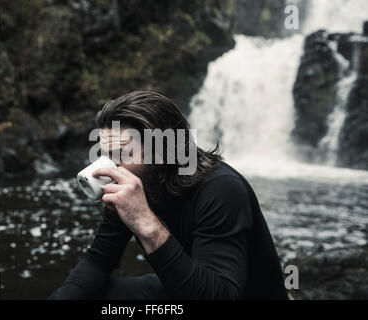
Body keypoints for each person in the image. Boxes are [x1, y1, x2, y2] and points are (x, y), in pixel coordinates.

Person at [49, 91, 288, 300]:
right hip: (181, 287)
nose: (108, 167)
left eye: (121, 153)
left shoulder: (221, 189)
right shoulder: (127, 177)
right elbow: (99, 260)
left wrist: (146, 224)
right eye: (105, 154)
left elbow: (221, 294)